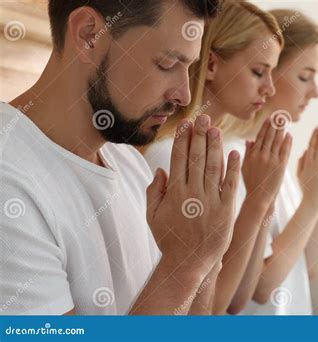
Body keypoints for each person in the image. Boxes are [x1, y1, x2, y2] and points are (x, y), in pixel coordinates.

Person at [0, 0, 242, 316]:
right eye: (167, 64)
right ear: (89, 35)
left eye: (190, 68)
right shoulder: (10, 181)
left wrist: (206, 253)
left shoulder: (128, 163)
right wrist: (186, 262)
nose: (183, 95)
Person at [143, 0, 291, 315]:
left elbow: (240, 298)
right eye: (258, 72)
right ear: (211, 65)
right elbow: (214, 309)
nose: (270, 88)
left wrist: (262, 197)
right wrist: (258, 199)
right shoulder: (169, 156)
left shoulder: (226, 152)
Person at [233, 9, 318, 315]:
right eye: (305, 76)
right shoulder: (236, 157)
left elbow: (306, 268)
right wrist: (313, 203)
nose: (314, 92)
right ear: (269, 68)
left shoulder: (273, 156)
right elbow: (261, 287)